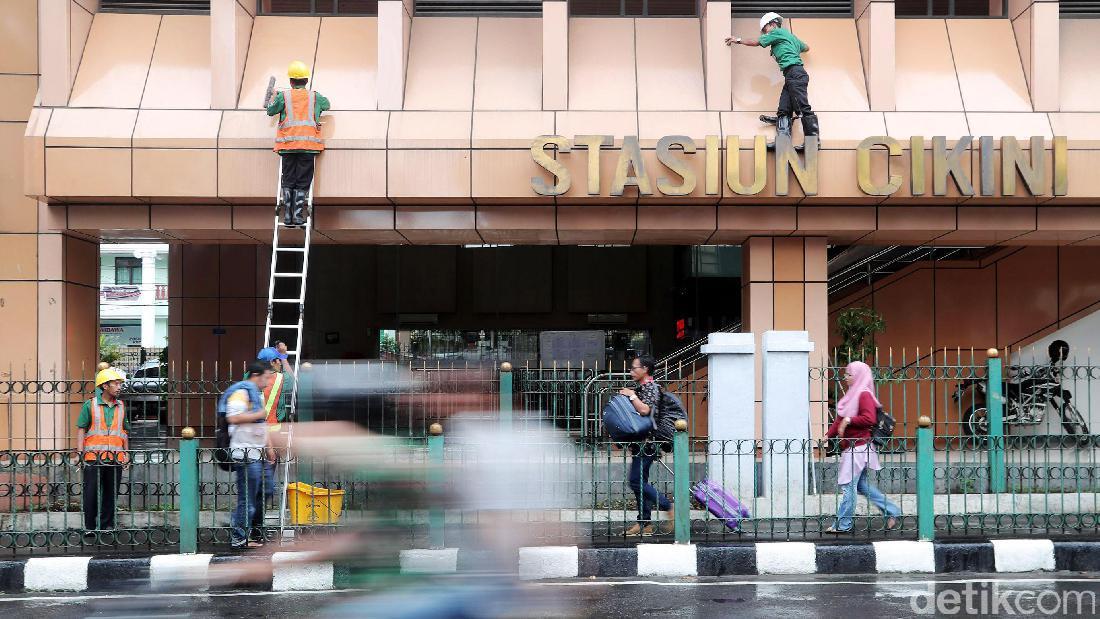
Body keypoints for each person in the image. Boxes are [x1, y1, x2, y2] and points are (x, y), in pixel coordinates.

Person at [825, 361, 901, 534]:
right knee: (861, 486)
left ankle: (843, 524)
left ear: (858, 376)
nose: (845, 378)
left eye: (848, 374)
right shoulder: (852, 394)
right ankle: (892, 511)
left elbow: (869, 419)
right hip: (853, 448)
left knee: (848, 486)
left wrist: (849, 420)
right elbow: (839, 418)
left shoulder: (864, 394)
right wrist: (828, 435)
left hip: (858, 448)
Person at [726, 12, 818, 148]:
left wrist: (738, 40)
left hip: (795, 74)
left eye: (765, 29)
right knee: (784, 109)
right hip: (792, 75)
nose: (765, 33)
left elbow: (756, 42)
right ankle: (782, 143)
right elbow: (806, 47)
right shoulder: (790, 36)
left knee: (802, 108)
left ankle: (813, 143)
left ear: (773, 24)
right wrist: (793, 47)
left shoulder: (777, 32)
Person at [267, 60, 330, 227]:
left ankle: (288, 216)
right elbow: (327, 105)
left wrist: (274, 96)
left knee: (288, 180)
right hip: (308, 147)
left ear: (290, 81)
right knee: (303, 180)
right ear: (306, 80)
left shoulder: (284, 96)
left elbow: (270, 110)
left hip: (287, 146)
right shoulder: (315, 96)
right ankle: (297, 215)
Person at [618, 355, 674, 536]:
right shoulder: (642, 388)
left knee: (635, 481)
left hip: (649, 443)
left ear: (645, 370)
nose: (631, 371)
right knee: (640, 482)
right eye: (631, 368)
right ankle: (644, 523)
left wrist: (631, 395)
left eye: (634, 368)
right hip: (639, 443)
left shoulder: (652, 388)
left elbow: (645, 410)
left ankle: (668, 506)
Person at [226, 361, 276, 549]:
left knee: (267, 490)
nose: (269, 381)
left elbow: (262, 424)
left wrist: (269, 447)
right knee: (247, 499)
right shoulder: (240, 393)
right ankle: (239, 537)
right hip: (245, 453)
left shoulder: (257, 396)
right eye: (267, 377)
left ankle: (255, 532)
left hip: (258, 452)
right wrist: (258, 414)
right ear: (256, 375)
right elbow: (233, 418)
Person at [78, 367, 130, 536]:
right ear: (105, 386)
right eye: (116, 384)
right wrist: (80, 454)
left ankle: (106, 525)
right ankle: (90, 527)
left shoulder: (121, 406)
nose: (119, 387)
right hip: (93, 457)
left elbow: (124, 432)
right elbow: (81, 430)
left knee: (111, 493)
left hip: (115, 457)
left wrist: (126, 454)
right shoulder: (90, 405)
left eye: (119, 383)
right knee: (91, 493)